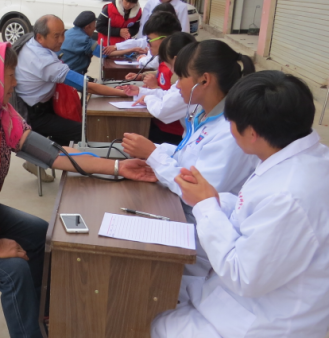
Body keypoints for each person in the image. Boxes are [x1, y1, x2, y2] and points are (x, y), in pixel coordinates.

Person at [0, 40, 157, 338]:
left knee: (39, 234)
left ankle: (40, 315)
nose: (15, 83)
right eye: (10, 75)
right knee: (14, 270)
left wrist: (117, 167)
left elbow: (53, 154)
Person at [152, 71, 329, 338]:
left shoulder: (289, 195)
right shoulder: (303, 157)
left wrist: (206, 206)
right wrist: (214, 199)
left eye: (231, 122)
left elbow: (243, 275)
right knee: (156, 289)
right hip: (242, 297)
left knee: (147, 316)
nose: (229, 130)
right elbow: (254, 212)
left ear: (252, 133)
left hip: (262, 320)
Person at [122, 39, 260, 276]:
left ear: (204, 80)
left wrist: (153, 155)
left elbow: (197, 191)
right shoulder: (203, 114)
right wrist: (153, 150)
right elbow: (186, 154)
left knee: (132, 261)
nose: (176, 86)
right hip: (181, 213)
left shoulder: (231, 132)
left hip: (202, 240)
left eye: (181, 77)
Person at [15, 15, 129, 148]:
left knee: (70, 129)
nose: (61, 40)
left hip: (39, 104)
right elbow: (85, 85)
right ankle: (51, 155)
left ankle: (55, 153)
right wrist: (123, 93)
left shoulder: (30, 42)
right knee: (86, 131)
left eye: (63, 34)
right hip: (35, 114)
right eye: (56, 36)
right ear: (40, 37)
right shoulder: (44, 62)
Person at [121, 32, 197, 145]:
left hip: (176, 134)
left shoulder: (191, 84)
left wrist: (147, 98)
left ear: (176, 60)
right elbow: (169, 95)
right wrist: (141, 91)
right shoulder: (187, 78)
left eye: (168, 63)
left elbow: (163, 110)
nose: (178, 85)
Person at [60, 11, 137, 74]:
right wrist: (131, 50)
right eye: (94, 25)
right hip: (70, 75)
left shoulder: (69, 32)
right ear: (87, 27)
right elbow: (105, 52)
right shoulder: (84, 40)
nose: (95, 28)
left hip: (61, 70)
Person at [126, 11, 182, 81]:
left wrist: (154, 86)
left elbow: (174, 86)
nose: (148, 44)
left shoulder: (181, 66)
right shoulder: (167, 60)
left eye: (149, 40)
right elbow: (162, 73)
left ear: (165, 40)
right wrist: (142, 76)